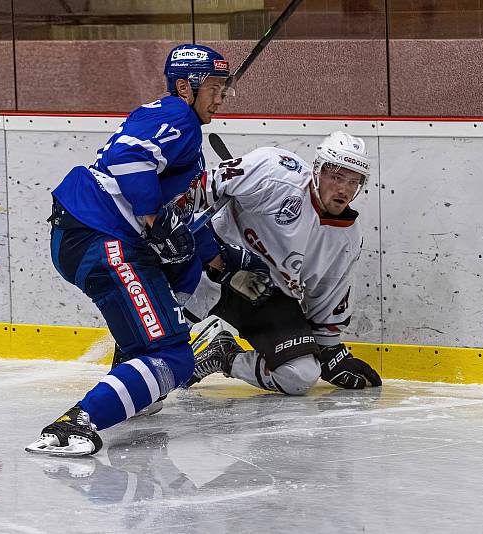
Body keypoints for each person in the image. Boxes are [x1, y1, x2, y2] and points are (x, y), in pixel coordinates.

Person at [26, 44, 240, 456]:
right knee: (175, 357)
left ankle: (131, 381)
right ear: (184, 86)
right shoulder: (179, 115)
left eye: (224, 88)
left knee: (186, 276)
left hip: (92, 236)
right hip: (101, 236)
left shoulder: (181, 135)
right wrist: (152, 218)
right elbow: (127, 158)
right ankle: (75, 423)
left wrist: (218, 259)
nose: (220, 98)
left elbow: (183, 214)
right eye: (213, 87)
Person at [184, 131, 382, 396]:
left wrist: (331, 354)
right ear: (317, 171)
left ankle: (223, 354)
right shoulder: (273, 172)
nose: (344, 189)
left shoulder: (347, 240)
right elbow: (189, 197)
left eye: (353, 181)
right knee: (158, 359)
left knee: (300, 376)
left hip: (262, 295)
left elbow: (326, 300)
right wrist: (218, 256)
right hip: (208, 265)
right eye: (336, 177)